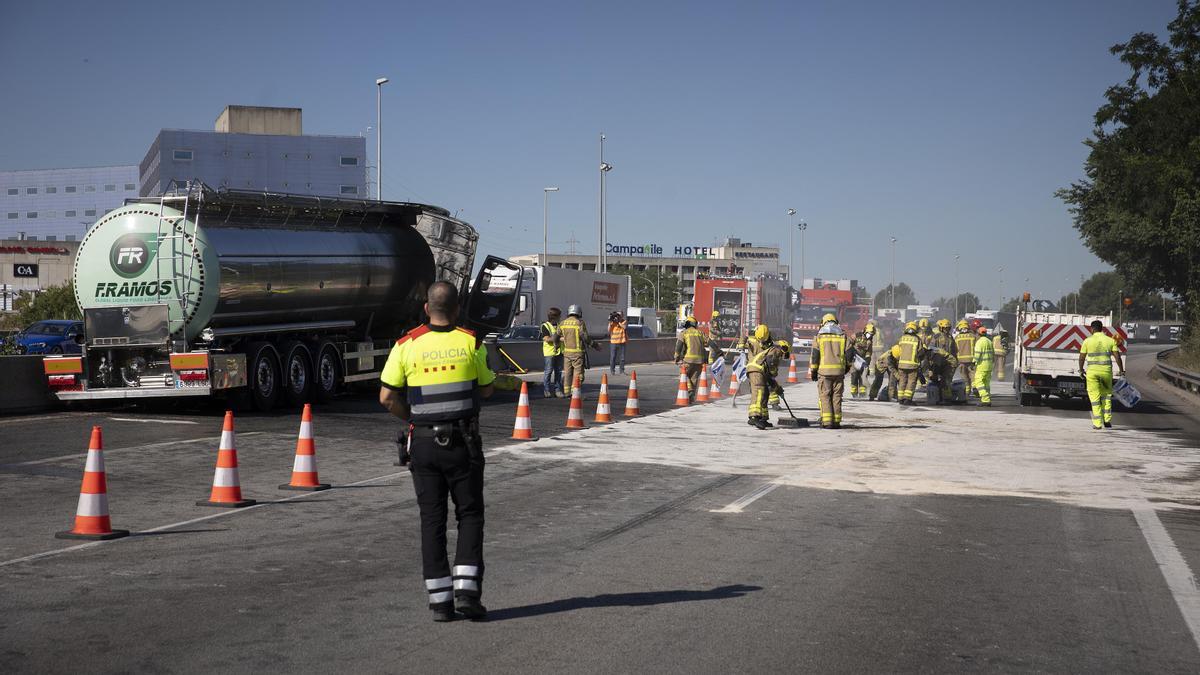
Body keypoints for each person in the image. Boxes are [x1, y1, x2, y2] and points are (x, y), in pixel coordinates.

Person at [379, 282, 494, 622]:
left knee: (432, 520)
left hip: (425, 444)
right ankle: (468, 595)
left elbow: (387, 398)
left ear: (427, 308)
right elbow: (486, 389)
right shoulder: (471, 342)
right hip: (464, 443)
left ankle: (441, 603)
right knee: (469, 514)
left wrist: (414, 419)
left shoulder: (406, 345)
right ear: (457, 309)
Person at [1078, 320, 1125, 429]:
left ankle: (1097, 423)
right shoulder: (1110, 341)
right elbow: (1117, 357)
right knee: (1106, 396)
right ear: (1101, 329)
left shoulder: (1087, 341)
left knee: (1094, 398)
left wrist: (1081, 370)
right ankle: (1107, 420)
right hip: (1106, 372)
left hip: (1092, 373)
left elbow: (1081, 358)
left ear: (1092, 329)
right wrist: (1121, 371)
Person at [809, 313, 848, 428]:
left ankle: (827, 422)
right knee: (837, 396)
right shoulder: (843, 336)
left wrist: (814, 372)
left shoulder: (819, 337)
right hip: (839, 373)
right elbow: (850, 354)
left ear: (824, 322)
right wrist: (846, 368)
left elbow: (815, 356)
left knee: (825, 396)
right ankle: (836, 421)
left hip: (824, 373)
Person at [745, 337, 786, 429]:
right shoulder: (776, 351)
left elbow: (769, 376)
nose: (783, 357)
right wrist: (776, 386)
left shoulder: (772, 351)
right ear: (784, 349)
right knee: (759, 392)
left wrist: (776, 388)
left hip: (759, 371)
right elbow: (771, 371)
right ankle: (754, 417)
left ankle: (763, 418)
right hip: (756, 370)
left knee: (765, 393)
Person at [559, 305, 596, 396]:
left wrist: (556, 345)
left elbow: (557, 335)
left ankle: (567, 392)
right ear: (579, 313)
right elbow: (585, 337)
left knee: (567, 373)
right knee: (578, 374)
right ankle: (575, 392)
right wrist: (594, 345)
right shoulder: (579, 323)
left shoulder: (562, 323)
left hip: (566, 353)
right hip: (577, 353)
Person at [674, 316, 709, 402]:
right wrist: (719, 352)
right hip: (700, 361)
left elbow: (679, 347)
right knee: (694, 379)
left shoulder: (684, 333)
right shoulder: (700, 333)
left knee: (683, 374)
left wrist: (676, 357)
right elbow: (708, 343)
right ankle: (691, 397)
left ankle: (690, 390)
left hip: (688, 360)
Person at [927, 319, 959, 404]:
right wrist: (939, 352)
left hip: (948, 363)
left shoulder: (950, 337)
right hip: (938, 361)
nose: (947, 330)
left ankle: (946, 399)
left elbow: (954, 350)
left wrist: (955, 360)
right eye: (945, 328)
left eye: (948, 328)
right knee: (934, 379)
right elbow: (931, 348)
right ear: (941, 328)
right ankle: (937, 396)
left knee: (946, 380)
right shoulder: (936, 336)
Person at [895, 322, 926, 405]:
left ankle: (900, 398)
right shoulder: (917, 339)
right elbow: (920, 352)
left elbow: (897, 350)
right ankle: (907, 399)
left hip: (901, 364)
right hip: (912, 365)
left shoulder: (902, 338)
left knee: (902, 381)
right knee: (911, 382)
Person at [540, 307, 564, 398]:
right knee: (548, 371)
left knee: (558, 372)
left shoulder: (559, 326)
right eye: (559, 316)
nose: (560, 318)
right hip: (549, 352)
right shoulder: (545, 326)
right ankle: (546, 390)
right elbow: (546, 338)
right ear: (554, 317)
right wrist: (559, 339)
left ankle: (557, 390)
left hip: (559, 352)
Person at [848, 322, 876, 398]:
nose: (869, 335)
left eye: (871, 334)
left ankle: (862, 393)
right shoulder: (856, 336)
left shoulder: (869, 341)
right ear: (864, 331)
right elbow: (848, 344)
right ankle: (854, 392)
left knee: (863, 376)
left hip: (863, 360)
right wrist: (849, 354)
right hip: (854, 359)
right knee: (854, 375)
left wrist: (867, 359)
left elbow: (869, 351)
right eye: (868, 333)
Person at [972, 325, 994, 407]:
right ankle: (987, 399)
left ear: (978, 334)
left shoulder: (979, 342)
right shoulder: (989, 341)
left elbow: (977, 354)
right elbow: (993, 354)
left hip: (982, 366)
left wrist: (973, 362)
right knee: (986, 384)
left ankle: (985, 399)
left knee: (978, 382)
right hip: (989, 366)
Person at [954, 320, 976, 396]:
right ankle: (974, 387)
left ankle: (967, 391)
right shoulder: (973, 336)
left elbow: (954, 349)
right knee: (972, 374)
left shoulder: (957, 338)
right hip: (971, 360)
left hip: (961, 361)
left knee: (964, 376)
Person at [608, 311, 628, 375]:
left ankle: (621, 371)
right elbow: (608, 330)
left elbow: (624, 327)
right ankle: (612, 371)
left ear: (622, 316)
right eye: (618, 315)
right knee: (613, 357)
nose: (618, 316)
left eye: (620, 315)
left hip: (622, 341)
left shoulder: (624, 321)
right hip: (613, 342)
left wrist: (618, 322)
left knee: (622, 358)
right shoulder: (613, 322)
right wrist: (610, 322)